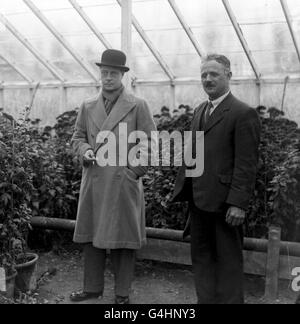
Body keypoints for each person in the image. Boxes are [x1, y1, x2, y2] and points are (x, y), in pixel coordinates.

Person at [172, 54, 261, 304]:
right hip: (199, 202)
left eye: (214, 74)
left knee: (229, 263)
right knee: (201, 259)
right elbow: (195, 153)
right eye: (203, 75)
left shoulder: (243, 113)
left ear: (228, 76)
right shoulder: (200, 110)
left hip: (225, 206)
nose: (207, 79)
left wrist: (238, 203)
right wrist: (186, 190)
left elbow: (247, 164)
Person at [70, 49, 156, 304]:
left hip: (122, 182)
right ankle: (92, 288)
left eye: (113, 73)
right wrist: (85, 152)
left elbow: (148, 142)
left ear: (122, 76)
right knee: (91, 238)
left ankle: (122, 294)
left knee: (123, 240)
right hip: (95, 179)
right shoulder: (87, 106)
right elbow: (78, 137)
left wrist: (134, 171)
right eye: (104, 72)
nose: (108, 77)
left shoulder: (138, 105)